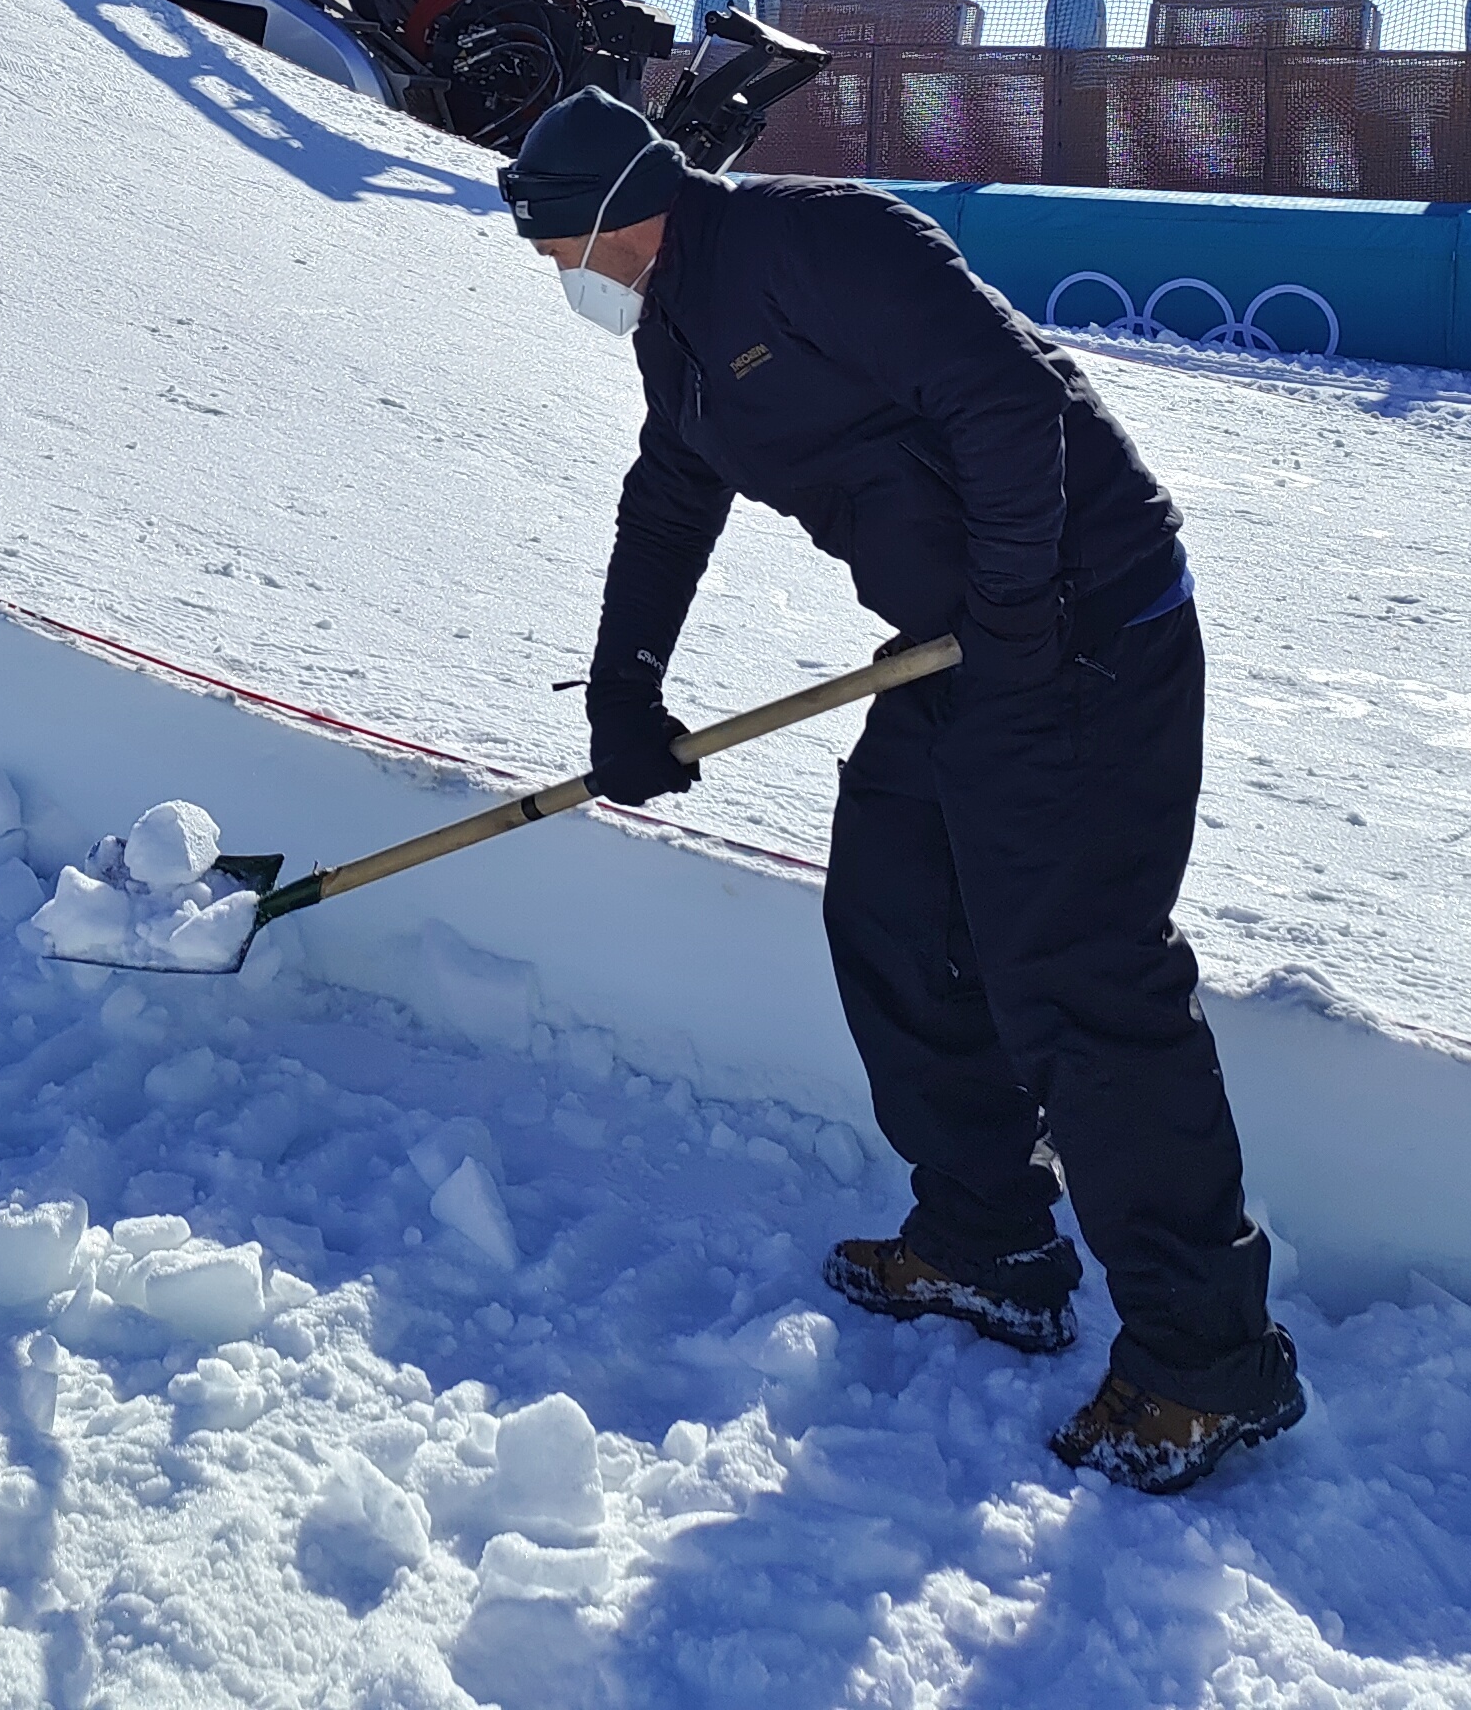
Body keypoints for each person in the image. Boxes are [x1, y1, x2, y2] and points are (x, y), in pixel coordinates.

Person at [502, 86, 1305, 1493]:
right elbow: (671, 495)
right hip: (962, 646)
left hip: (1083, 629)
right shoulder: (680, 327)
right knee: (892, 917)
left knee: (1082, 985)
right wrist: (626, 684)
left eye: (561, 253)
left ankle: (1207, 1364)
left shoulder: (822, 246)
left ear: (619, 216)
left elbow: (1009, 408)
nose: (562, 280)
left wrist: (1013, 617)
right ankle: (989, 1240)